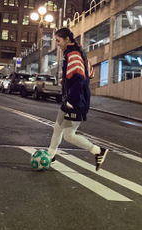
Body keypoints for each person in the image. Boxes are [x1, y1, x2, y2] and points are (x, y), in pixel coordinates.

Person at [40, 26, 109, 170]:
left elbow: (80, 79)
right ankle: (51, 155)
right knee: (57, 127)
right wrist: (66, 82)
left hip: (76, 101)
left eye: (58, 41)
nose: (57, 44)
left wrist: (71, 99)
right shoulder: (77, 52)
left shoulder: (73, 55)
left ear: (67, 39)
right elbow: (90, 72)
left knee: (69, 135)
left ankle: (97, 151)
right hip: (72, 98)